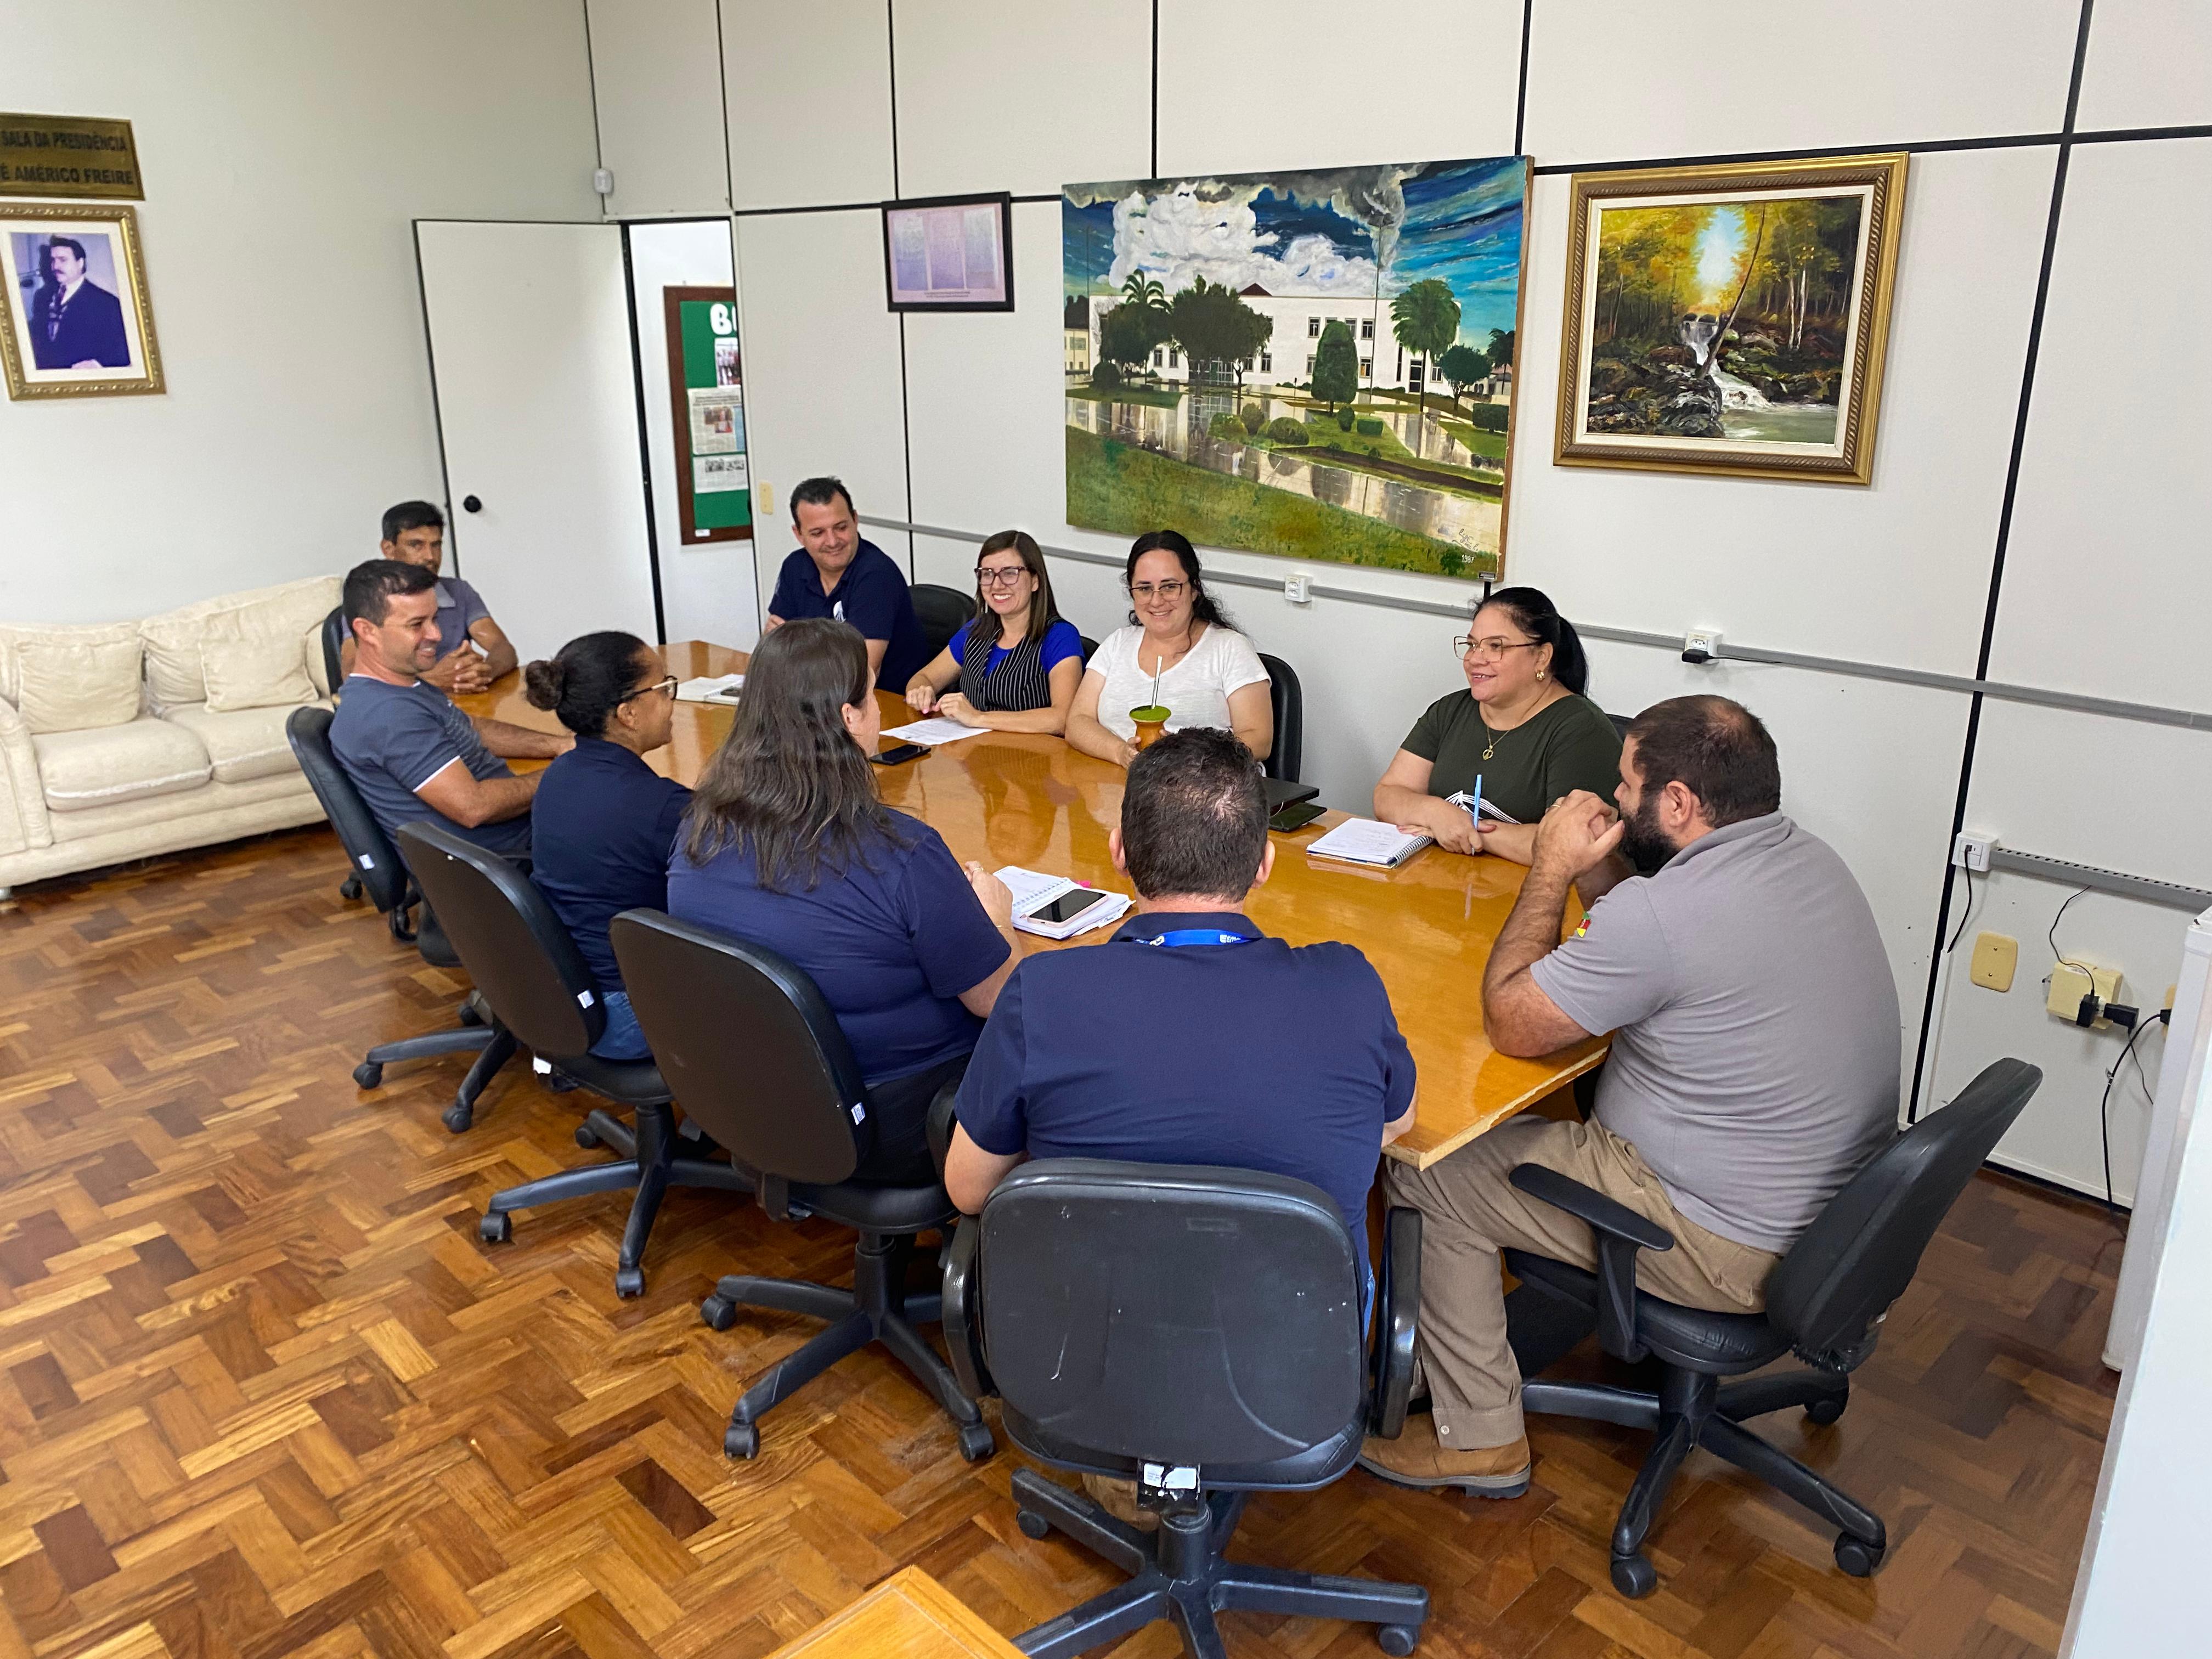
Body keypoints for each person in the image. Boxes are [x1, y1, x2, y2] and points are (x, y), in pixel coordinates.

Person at [1359, 695, 1900, 1499]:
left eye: (1626, 784)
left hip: (1724, 1242)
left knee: (1430, 1167)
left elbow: (1512, 1018)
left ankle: (1479, 1436)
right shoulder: (1808, 860)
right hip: (1837, 1225)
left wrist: (1552, 867)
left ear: (1676, 803)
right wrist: (1596, 862)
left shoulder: (1670, 914)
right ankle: (1453, 1364)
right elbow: (1648, 938)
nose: (1613, 796)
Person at [945, 726, 1415, 1277]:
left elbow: (968, 1190)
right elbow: (1397, 1122)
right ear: (1264, 864)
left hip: (1081, 1322)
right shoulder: (1350, 986)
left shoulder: (1041, 992)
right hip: (1302, 1326)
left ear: (1119, 852)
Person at [667, 618, 1018, 1182]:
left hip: (750, 1096)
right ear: (849, 718)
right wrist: (997, 918)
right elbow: (997, 998)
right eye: (872, 696)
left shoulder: (698, 830)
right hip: (895, 1120)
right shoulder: (901, 852)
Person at [329, 560, 570, 860]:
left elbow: (471, 728)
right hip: (509, 861)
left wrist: (560, 746)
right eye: (417, 625)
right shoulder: (388, 715)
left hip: (524, 834)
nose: (436, 634)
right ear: (367, 631)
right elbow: (474, 808)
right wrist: (568, 771)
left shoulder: (403, 685)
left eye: (434, 619)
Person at [522, 633, 691, 1061]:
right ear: (628, 713)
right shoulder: (657, 806)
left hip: (564, 995)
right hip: (625, 1014)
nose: (671, 701)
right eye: (664, 689)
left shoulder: (559, 774)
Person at [1373, 586, 1620, 864]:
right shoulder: (1449, 711)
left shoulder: (1582, 730)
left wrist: (1466, 830)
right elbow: (1387, 795)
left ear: (1541, 657)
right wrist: (1434, 813)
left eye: (1495, 646)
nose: (1475, 659)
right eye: (1472, 645)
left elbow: (1571, 842)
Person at [1066, 531, 1272, 766]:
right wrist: (1120, 752)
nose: (1156, 601)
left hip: (1202, 785)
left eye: (1170, 587)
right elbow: (1077, 722)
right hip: (1116, 783)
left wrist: (1184, 758)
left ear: (1194, 589)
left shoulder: (1229, 648)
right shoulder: (1117, 643)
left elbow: (1259, 740)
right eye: (1145, 589)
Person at [902, 531, 1084, 734]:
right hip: (970, 749)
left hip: (1027, 752)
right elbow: (923, 677)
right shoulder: (976, 629)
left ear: (1035, 580)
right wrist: (920, 692)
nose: (997, 585)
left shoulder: (1060, 636)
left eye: (1010, 573)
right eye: (988, 574)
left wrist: (978, 718)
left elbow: (1062, 718)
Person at [762, 477, 928, 690]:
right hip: (814, 694)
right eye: (818, 533)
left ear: (855, 520)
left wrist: (796, 651)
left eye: (841, 527)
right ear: (799, 534)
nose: (832, 542)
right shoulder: (794, 566)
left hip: (884, 700)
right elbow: (772, 652)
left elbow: (860, 674)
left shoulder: (877, 576)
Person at [339, 502, 518, 695]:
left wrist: (484, 672)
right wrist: (432, 680)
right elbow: (352, 675)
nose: (430, 557)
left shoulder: (459, 591)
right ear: (389, 549)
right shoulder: (368, 599)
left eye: (436, 545)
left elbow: (503, 648)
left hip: (462, 699)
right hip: (402, 704)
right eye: (416, 545)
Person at [29, 238, 129, 370]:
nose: (55, 267)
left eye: (63, 260)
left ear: (80, 263)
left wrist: (97, 364)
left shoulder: (107, 303)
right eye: (53, 260)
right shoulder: (42, 297)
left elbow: (123, 351)